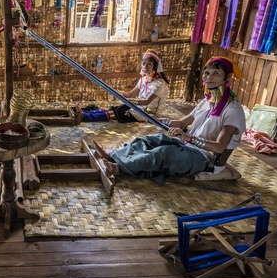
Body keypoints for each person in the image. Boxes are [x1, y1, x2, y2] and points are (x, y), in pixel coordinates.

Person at [93, 56, 246, 184]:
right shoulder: (206, 102)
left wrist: (188, 138)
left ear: (227, 77)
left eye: (216, 73)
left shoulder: (232, 110)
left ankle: (118, 167)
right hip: (186, 145)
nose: (209, 77)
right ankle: (112, 156)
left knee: (163, 153)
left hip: (206, 159)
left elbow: (220, 147)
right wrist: (157, 120)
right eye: (207, 73)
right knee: (149, 140)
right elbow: (182, 123)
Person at [119, 48, 170, 120]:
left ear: (155, 67)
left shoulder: (160, 83)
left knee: (119, 114)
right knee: (116, 109)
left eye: (149, 64)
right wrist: (118, 93)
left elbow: (147, 102)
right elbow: (130, 94)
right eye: (144, 63)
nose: (145, 66)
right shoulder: (143, 80)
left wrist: (130, 101)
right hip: (139, 108)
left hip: (151, 113)